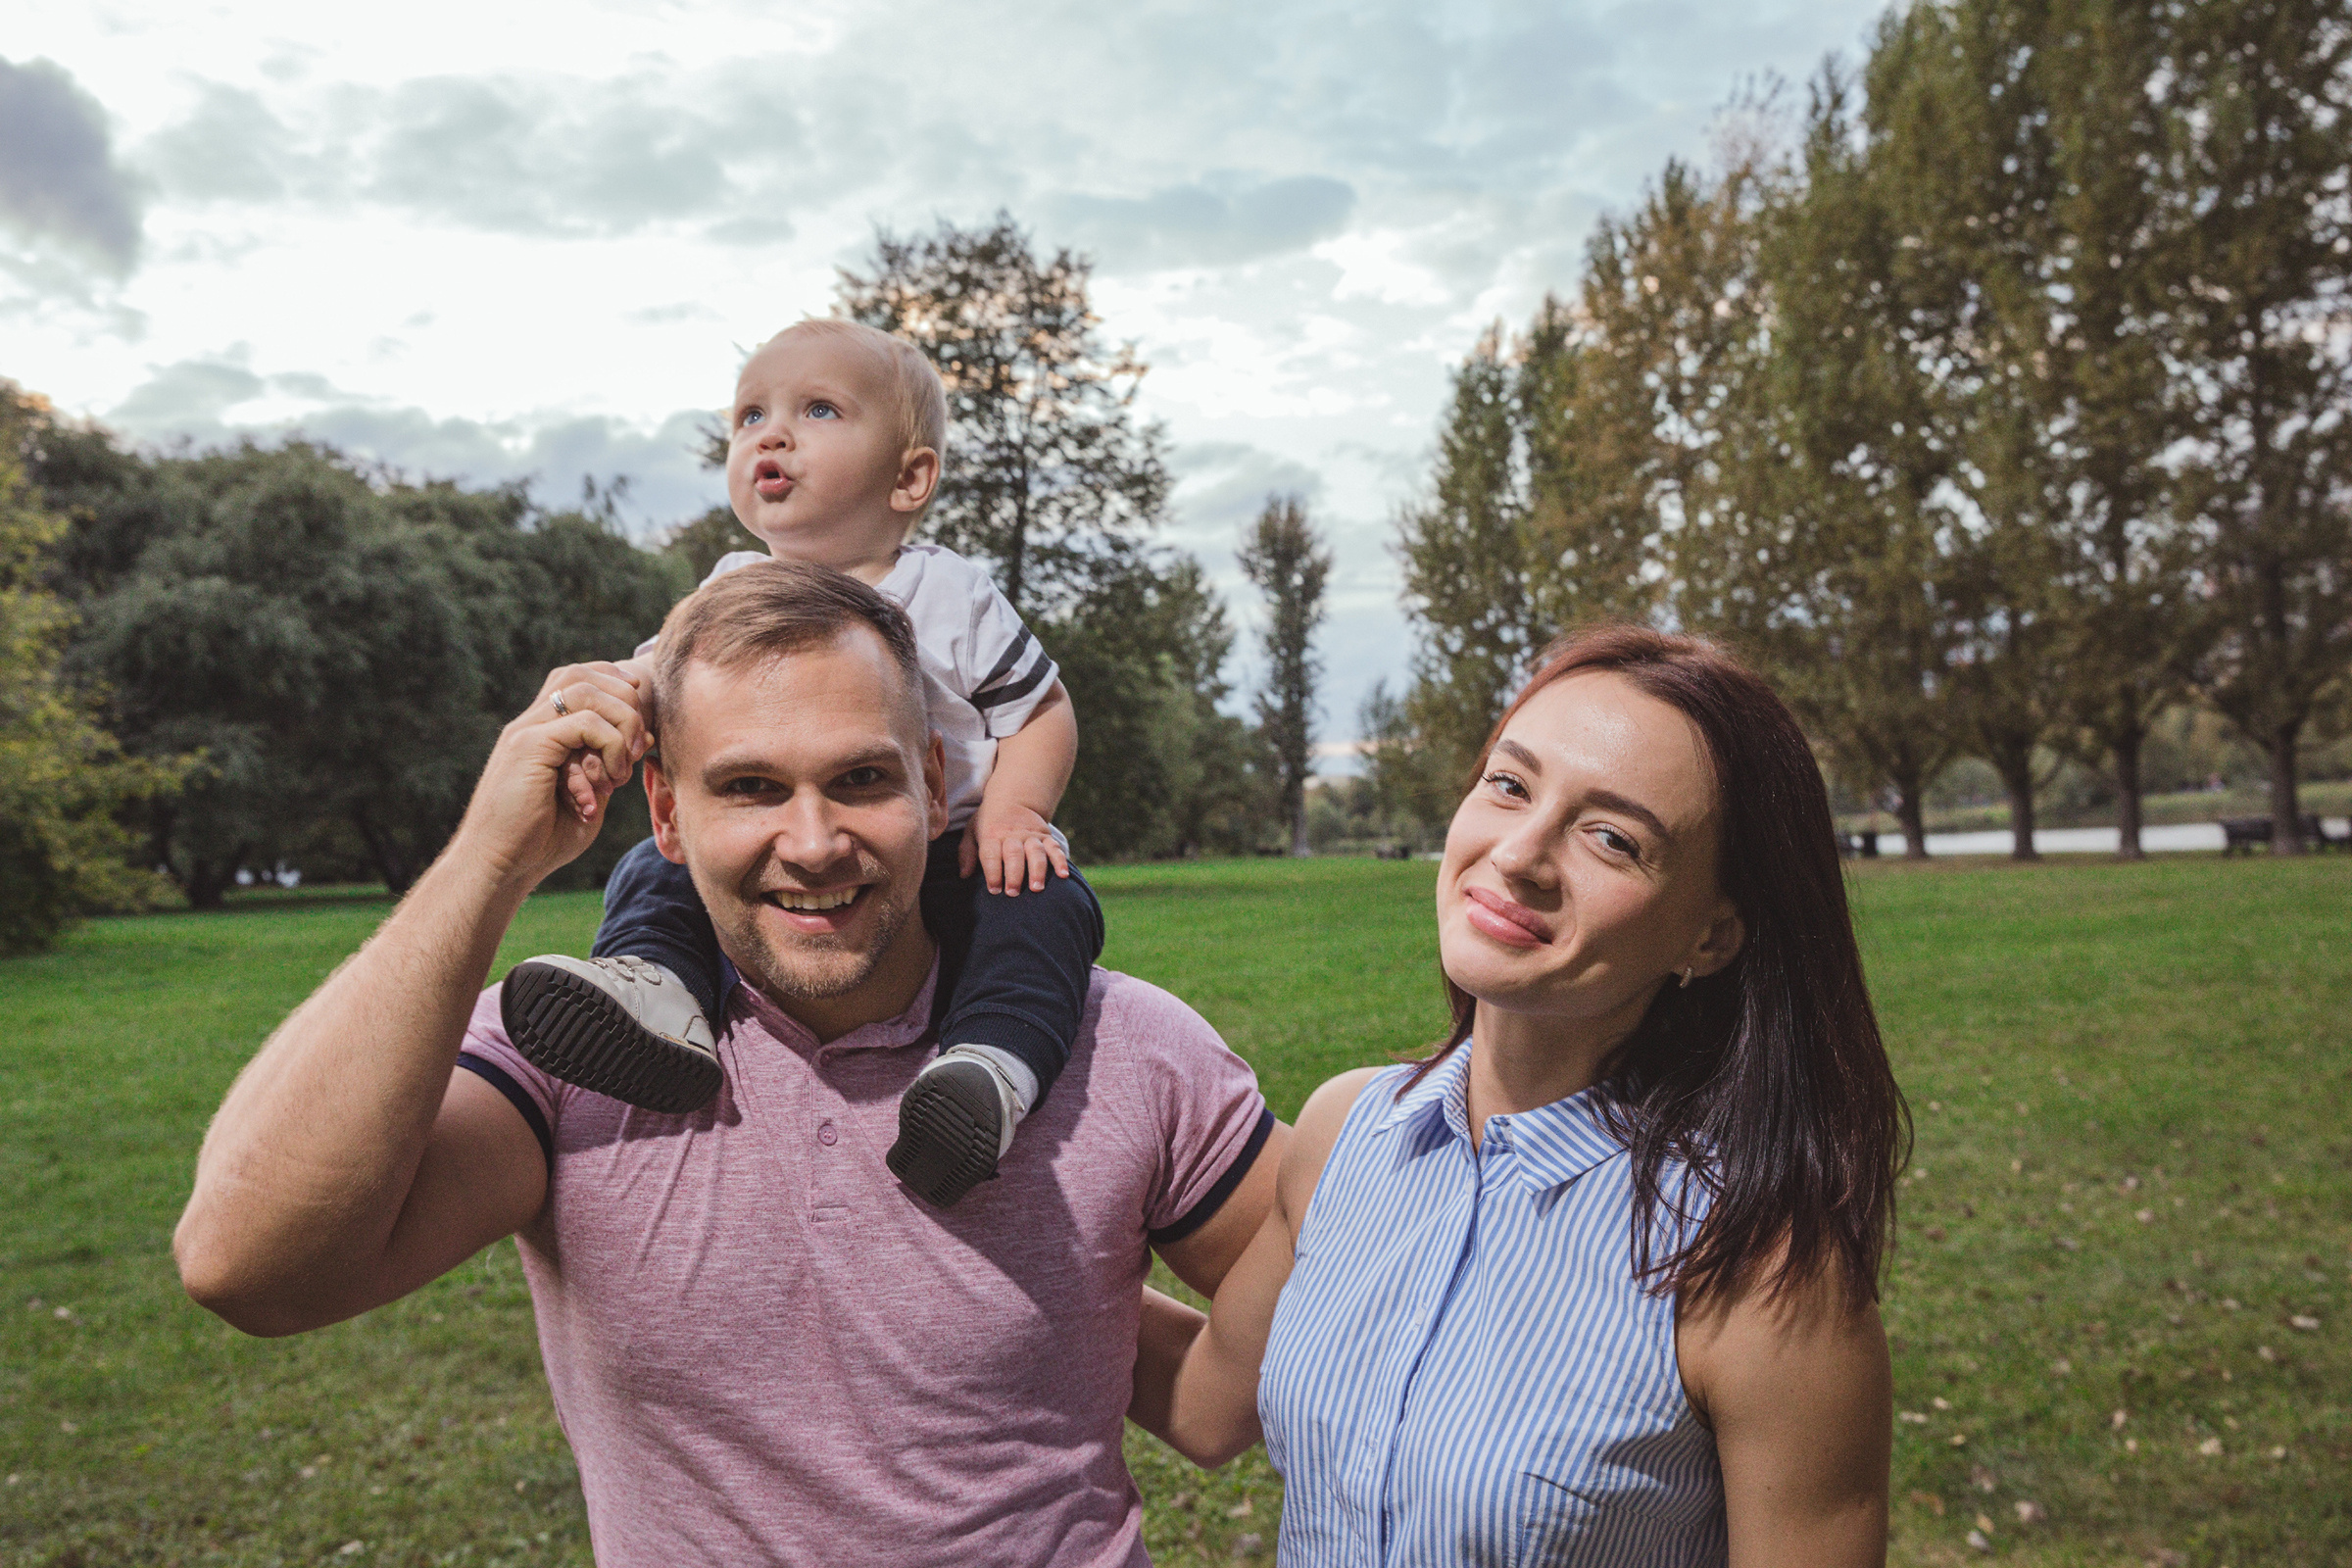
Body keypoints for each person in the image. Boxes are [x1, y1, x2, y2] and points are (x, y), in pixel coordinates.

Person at [174, 562, 1281, 1567]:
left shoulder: (1123, 1046)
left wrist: (1089, 1315)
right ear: (664, 807)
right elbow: (249, 1266)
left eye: (860, 779)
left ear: (936, 779)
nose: (811, 841)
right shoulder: (574, 1050)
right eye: (749, 787)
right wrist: (490, 856)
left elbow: (1272, 1346)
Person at [1130, 625, 1904, 1566]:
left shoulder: (1761, 1275)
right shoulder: (1344, 1131)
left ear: (1710, 936)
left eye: (1612, 838)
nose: (1521, 854)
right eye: (1510, 784)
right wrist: (999, 1243)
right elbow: (1211, 1407)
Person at [503, 318, 1098, 1208]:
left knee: (1046, 908)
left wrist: (1016, 811)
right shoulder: (727, 590)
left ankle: (987, 1072)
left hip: (961, 847)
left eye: (817, 409)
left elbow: (1043, 710)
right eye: (749, 417)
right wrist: (603, 716)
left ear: (910, 477)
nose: (770, 434)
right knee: (658, 867)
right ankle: (656, 995)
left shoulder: (950, 593)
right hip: (789, 848)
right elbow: (654, 680)